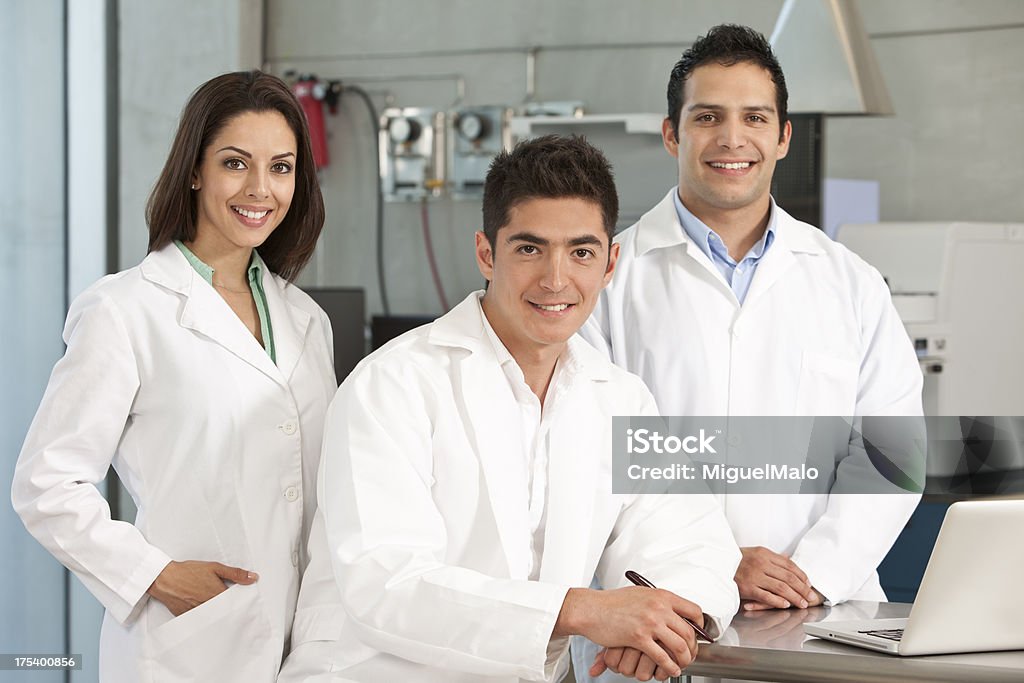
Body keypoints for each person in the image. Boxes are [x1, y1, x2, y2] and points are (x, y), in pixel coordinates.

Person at [278, 135, 741, 683]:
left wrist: (667, 621)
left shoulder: (619, 397)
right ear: (485, 253)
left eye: (581, 252)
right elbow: (388, 585)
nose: (555, 279)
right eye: (529, 248)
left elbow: (692, 537)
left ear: (610, 262)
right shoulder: (394, 383)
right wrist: (587, 611)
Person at [576, 23, 923, 680]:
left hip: (823, 619)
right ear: (672, 134)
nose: (732, 139)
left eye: (754, 118)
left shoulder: (849, 282)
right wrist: (714, 560)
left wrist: (813, 572)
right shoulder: (607, 280)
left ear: (783, 136)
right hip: (658, 620)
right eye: (708, 117)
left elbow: (892, 452)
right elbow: (590, 453)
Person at [11, 70, 337, 682]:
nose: (261, 189)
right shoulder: (125, 309)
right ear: (195, 168)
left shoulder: (305, 320)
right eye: (236, 163)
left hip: (308, 646)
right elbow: (47, 483)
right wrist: (154, 575)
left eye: (282, 167)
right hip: (190, 645)